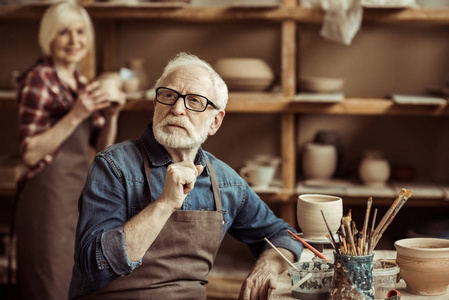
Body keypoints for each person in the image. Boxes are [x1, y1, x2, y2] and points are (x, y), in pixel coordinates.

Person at [68, 52, 303, 300]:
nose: (177, 109)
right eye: (169, 96)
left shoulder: (226, 182)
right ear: (155, 105)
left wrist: (268, 266)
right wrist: (164, 205)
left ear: (215, 122)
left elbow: (282, 236)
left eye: (194, 101)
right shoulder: (114, 166)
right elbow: (94, 266)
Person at [15, 2, 126, 300]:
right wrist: (76, 114)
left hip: (78, 199)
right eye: (64, 32)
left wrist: (113, 115)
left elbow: (102, 151)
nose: (75, 40)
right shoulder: (38, 80)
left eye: (80, 32)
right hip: (46, 202)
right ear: (49, 37)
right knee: (48, 284)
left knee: (72, 285)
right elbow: (29, 153)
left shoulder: (80, 84)